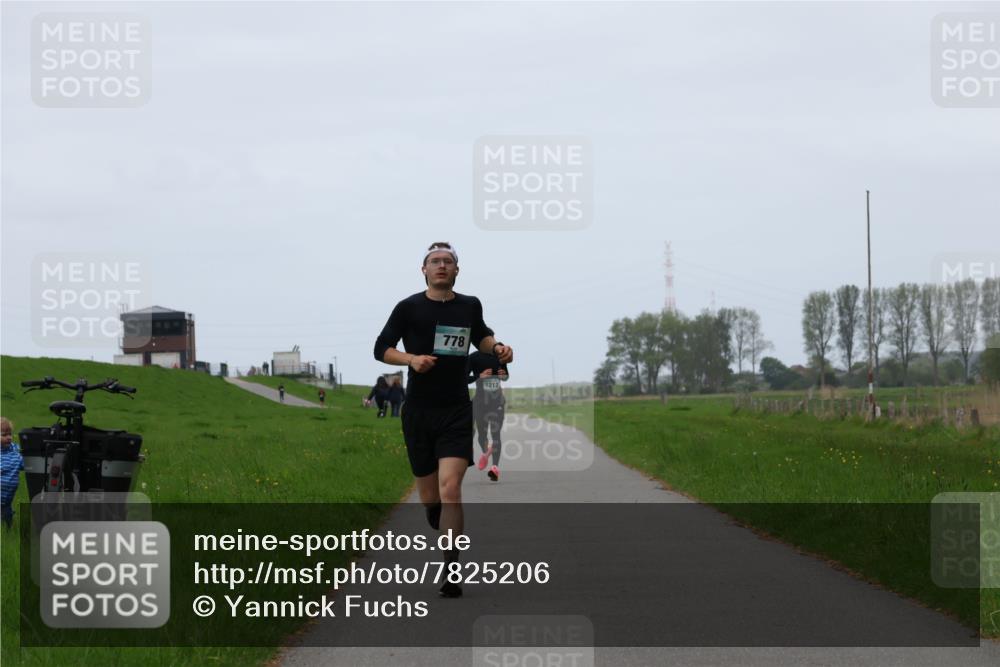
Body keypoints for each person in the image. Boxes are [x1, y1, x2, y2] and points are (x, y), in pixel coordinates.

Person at [374, 241, 513, 598]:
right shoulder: (408, 307)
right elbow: (381, 348)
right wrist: (411, 360)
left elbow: (481, 335)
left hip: (455, 408)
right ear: (423, 270)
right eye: (434, 261)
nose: (441, 266)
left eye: (447, 262)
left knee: (451, 488)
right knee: (431, 499)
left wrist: (497, 348)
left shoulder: (469, 305)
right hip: (419, 411)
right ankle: (438, 517)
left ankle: (451, 569)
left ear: (456, 270)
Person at [467, 351, 509, 482]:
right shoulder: (473, 357)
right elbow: (463, 378)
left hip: (497, 402)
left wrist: (503, 376)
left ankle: (495, 468)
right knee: (482, 435)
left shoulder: (500, 356)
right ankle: (486, 452)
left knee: (496, 434)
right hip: (480, 403)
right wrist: (479, 376)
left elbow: (506, 376)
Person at [1, 417, 24, 530]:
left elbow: (25, 463)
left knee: (7, 520)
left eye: (10, 434)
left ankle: (8, 531)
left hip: (7, 498)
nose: (9, 437)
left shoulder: (15, 450)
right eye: (4, 435)